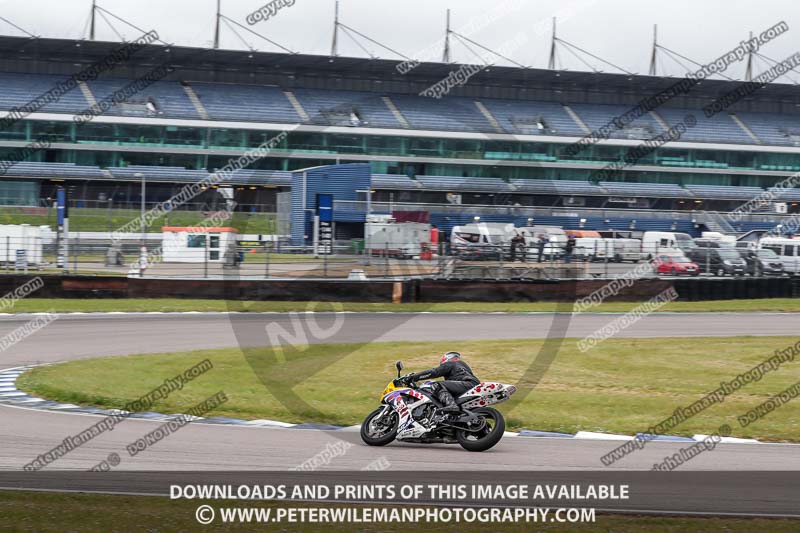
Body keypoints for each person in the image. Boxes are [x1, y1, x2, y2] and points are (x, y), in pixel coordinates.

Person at [401, 352, 479, 414]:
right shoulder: (463, 367)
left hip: (468, 384)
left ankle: (451, 405)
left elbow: (434, 372)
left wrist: (414, 377)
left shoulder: (451, 363)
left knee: (437, 385)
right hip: (472, 386)